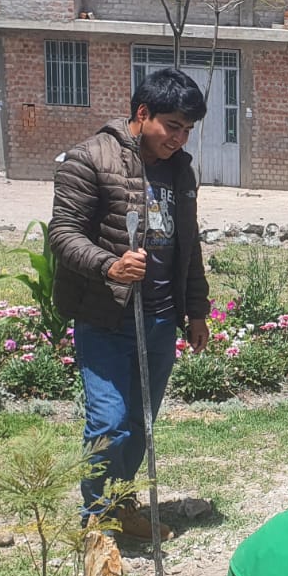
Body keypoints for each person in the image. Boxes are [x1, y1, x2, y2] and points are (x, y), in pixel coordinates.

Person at [48, 66, 211, 538]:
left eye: (188, 130)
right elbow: (63, 234)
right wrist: (108, 265)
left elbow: (188, 243)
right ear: (142, 114)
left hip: (160, 317)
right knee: (110, 421)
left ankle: (122, 506)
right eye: (172, 127)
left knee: (139, 422)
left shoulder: (180, 170)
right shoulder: (89, 159)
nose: (180, 139)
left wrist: (196, 310)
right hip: (105, 315)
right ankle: (96, 519)